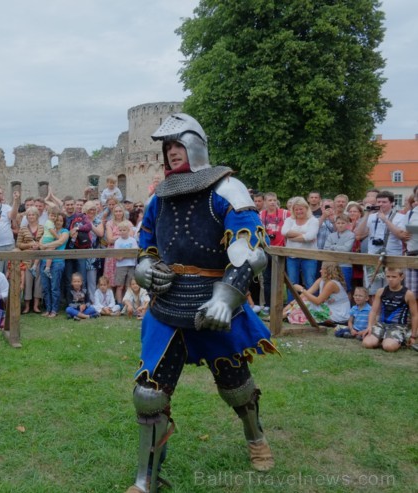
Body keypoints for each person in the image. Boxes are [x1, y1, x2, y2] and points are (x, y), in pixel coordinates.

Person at [128, 113, 277, 493]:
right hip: (168, 300)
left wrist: (228, 297)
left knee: (236, 385)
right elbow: (146, 243)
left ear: (194, 145)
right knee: (149, 394)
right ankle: (146, 479)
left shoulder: (227, 189)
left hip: (214, 296)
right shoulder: (159, 197)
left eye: (178, 145)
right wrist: (144, 268)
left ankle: (255, 436)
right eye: (167, 147)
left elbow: (252, 251)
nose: (172, 152)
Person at [354, 191, 408, 296]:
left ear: (392, 203)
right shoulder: (372, 216)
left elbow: (401, 236)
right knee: (373, 290)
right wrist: (366, 215)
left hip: (392, 257)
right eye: (378, 202)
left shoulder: (399, 217)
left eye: (384, 202)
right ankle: (376, 311)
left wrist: (386, 220)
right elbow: (358, 234)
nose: (381, 204)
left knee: (392, 288)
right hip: (373, 256)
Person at [362, 267, 417, 352]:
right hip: (381, 324)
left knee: (389, 347)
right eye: (388, 276)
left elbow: (414, 315)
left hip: (398, 326)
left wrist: (413, 336)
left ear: (401, 277)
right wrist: (369, 326)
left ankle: (397, 339)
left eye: (394, 277)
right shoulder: (381, 291)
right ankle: (382, 338)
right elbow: (373, 311)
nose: (390, 279)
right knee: (367, 344)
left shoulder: (408, 294)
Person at [281, 196, 319, 302]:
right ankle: (290, 310)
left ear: (306, 208)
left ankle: (312, 309)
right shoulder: (289, 220)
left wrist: (292, 237)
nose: (299, 211)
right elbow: (284, 232)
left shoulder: (313, 220)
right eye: (296, 209)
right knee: (292, 283)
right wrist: (303, 235)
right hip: (292, 256)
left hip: (309, 257)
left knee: (310, 283)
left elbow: (310, 237)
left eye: (301, 208)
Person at [39, 212, 70, 318]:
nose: (59, 223)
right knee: (46, 287)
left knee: (54, 287)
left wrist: (46, 246)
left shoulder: (64, 231)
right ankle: (47, 309)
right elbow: (40, 242)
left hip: (57, 262)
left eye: (61, 221)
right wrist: (41, 245)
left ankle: (54, 310)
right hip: (44, 261)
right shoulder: (48, 230)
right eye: (57, 220)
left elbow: (60, 242)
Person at [16, 206, 44, 314]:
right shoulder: (23, 229)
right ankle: (27, 306)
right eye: (29, 215)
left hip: (39, 258)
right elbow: (18, 244)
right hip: (27, 258)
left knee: (38, 282)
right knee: (27, 282)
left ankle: (36, 306)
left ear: (37, 216)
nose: (31, 217)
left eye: (33, 214)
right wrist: (28, 245)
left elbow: (46, 241)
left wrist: (39, 245)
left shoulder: (42, 228)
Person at [323, 214, 356, 293]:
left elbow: (346, 249)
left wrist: (333, 246)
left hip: (345, 265)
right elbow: (326, 248)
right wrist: (338, 247)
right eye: (338, 223)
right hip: (332, 265)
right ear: (335, 224)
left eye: (343, 223)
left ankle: (347, 304)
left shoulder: (351, 235)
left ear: (347, 224)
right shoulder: (331, 235)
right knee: (330, 287)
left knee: (346, 288)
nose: (340, 225)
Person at [113, 220, 138, 302]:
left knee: (129, 286)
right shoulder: (117, 242)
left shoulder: (132, 240)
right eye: (120, 230)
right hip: (121, 266)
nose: (122, 232)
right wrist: (127, 254)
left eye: (124, 230)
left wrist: (124, 255)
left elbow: (135, 253)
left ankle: (129, 303)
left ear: (128, 230)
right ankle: (120, 303)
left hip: (131, 265)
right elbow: (118, 257)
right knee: (120, 286)